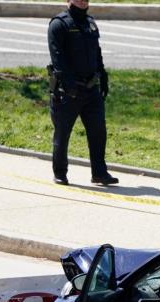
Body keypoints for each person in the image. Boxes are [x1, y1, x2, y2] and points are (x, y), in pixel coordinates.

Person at [47, 0, 119, 186]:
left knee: (98, 132)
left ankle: (99, 173)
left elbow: (97, 53)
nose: (82, 0)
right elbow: (58, 59)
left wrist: (103, 76)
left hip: (91, 90)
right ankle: (60, 173)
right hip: (68, 91)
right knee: (62, 134)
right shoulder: (59, 24)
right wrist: (68, 85)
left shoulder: (90, 23)